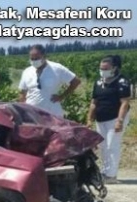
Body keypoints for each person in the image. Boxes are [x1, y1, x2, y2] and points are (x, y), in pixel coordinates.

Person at [88, 55, 132, 184]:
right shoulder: (98, 82)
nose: (103, 70)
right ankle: (105, 171)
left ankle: (111, 175)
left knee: (112, 145)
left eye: (106, 68)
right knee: (102, 146)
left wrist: (120, 120)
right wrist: (90, 118)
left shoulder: (122, 82)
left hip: (115, 118)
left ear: (114, 68)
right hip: (101, 119)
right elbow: (94, 102)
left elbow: (124, 103)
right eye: (101, 68)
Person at [18, 44, 81, 118]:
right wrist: (21, 111)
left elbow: (76, 81)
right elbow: (22, 93)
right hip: (32, 115)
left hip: (53, 115)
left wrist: (62, 96)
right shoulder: (27, 71)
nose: (34, 61)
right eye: (32, 59)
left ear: (44, 56)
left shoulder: (57, 68)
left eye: (37, 58)